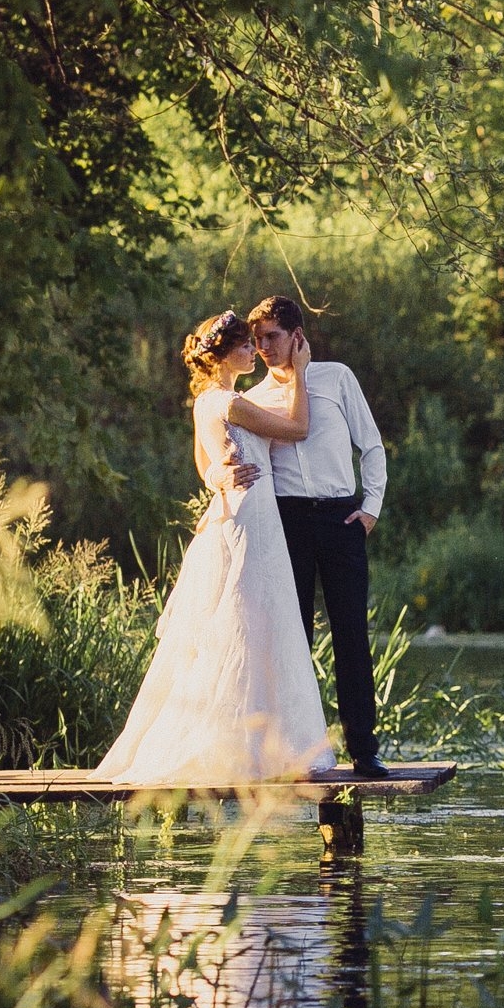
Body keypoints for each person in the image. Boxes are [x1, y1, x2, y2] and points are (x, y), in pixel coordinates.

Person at [93, 310, 332, 784]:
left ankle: (255, 747)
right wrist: (301, 372)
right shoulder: (229, 403)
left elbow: (203, 463)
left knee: (253, 618)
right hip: (251, 518)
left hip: (244, 511)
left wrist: (218, 477)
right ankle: (248, 750)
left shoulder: (207, 402)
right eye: (245, 346)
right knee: (251, 619)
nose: (253, 352)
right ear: (223, 355)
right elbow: (300, 427)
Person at [243, 295, 394, 779]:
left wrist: (369, 510)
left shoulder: (337, 378)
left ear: (297, 335)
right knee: (295, 637)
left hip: (341, 519)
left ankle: (363, 748)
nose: (264, 346)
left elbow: (371, 446)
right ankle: (298, 752)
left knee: (351, 633)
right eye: (258, 339)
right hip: (287, 524)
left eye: (272, 336)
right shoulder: (255, 399)